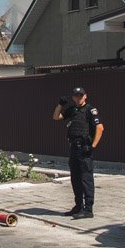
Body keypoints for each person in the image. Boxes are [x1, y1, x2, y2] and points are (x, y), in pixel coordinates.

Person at [52, 87, 104, 219]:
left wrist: (92, 146)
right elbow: (56, 117)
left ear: (85, 96)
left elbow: (100, 128)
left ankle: (88, 209)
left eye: (80, 95)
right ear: (73, 97)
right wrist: (60, 105)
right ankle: (78, 206)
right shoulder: (72, 110)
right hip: (74, 148)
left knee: (86, 178)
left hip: (85, 148)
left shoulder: (90, 110)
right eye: (76, 95)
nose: (78, 98)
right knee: (75, 178)